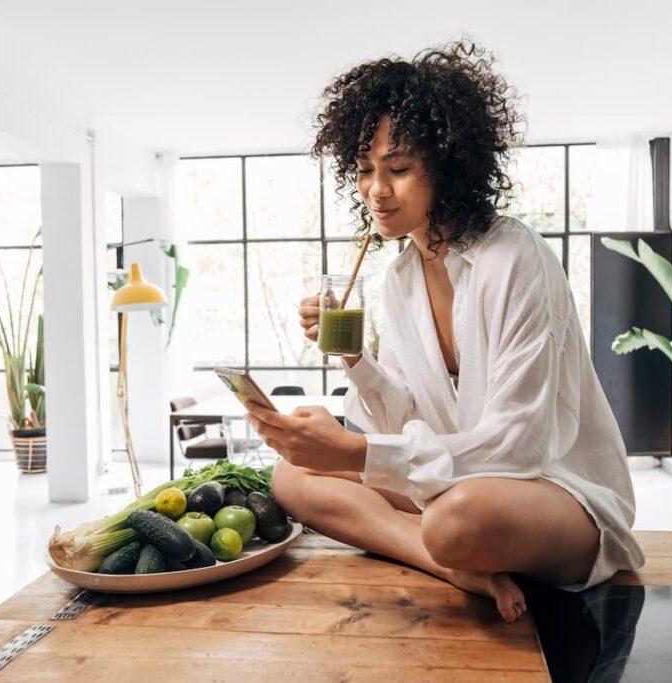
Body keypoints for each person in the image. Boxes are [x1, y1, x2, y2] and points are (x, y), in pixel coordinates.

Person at [244, 41, 644, 623]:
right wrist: (355, 358)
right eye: (364, 170)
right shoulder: (400, 279)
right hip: (456, 480)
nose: (376, 190)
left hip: (549, 490)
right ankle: (448, 564)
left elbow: (520, 445)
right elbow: (408, 416)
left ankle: (449, 546)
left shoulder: (515, 260)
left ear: (448, 164)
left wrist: (354, 452)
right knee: (292, 475)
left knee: (457, 520)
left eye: (399, 169)